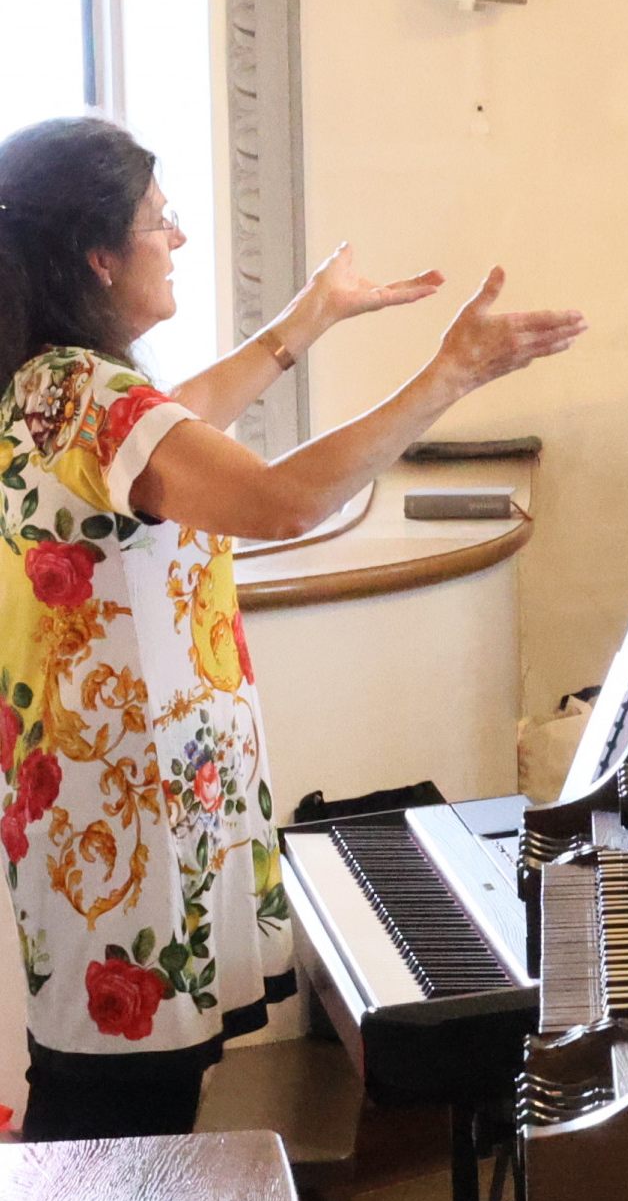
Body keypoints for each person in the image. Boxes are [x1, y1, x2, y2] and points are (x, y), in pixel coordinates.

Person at [0, 116, 582, 1141]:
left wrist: (309, 319)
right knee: (117, 1120)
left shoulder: (53, 383)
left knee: (124, 1108)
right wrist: (450, 374)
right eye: (158, 220)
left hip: (107, 809)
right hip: (126, 834)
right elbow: (284, 502)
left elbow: (183, 415)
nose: (178, 236)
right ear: (98, 254)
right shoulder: (90, 395)